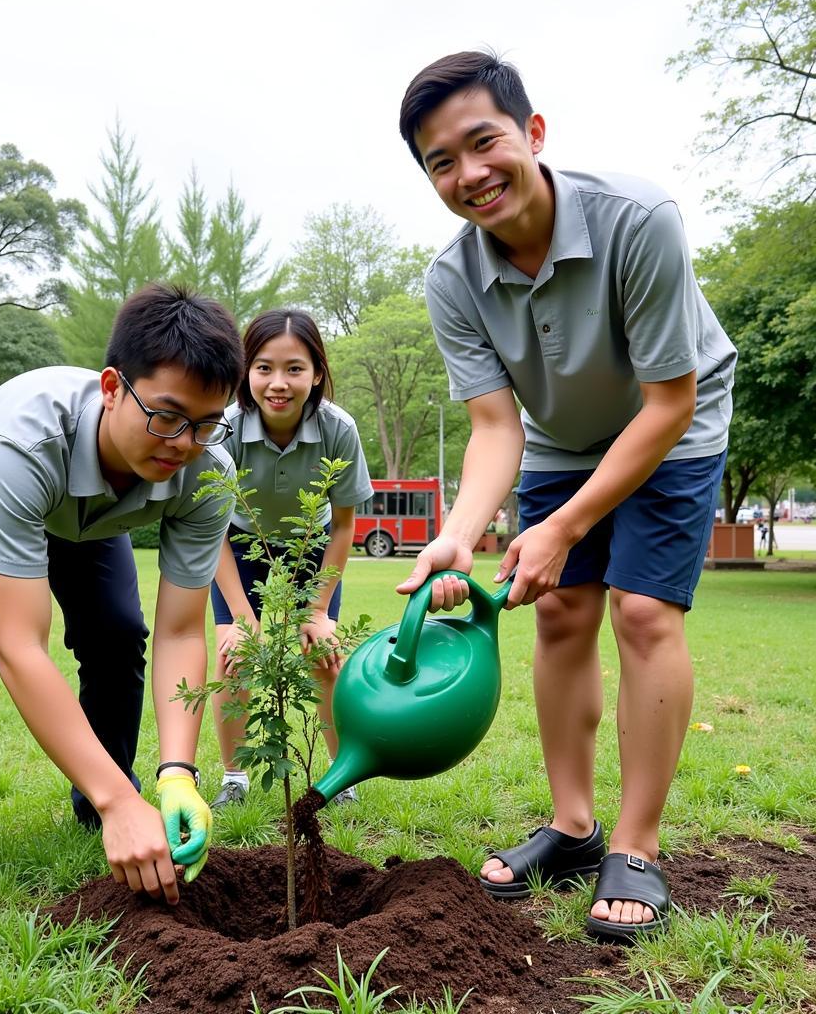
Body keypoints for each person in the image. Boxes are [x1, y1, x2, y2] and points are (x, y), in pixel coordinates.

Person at [396, 51, 737, 940]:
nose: (467, 175)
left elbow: (668, 402)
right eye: (440, 162)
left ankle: (636, 844)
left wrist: (568, 524)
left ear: (533, 134)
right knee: (559, 614)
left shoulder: (639, 220)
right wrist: (458, 535)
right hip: (557, 434)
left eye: (483, 143)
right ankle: (575, 826)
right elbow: (495, 428)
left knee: (644, 615)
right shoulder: (451, 280)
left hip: (675, 422)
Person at [0, 284, 245, 912]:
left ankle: (105, 800)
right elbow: (19, 648)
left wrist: (177, 774)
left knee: (117, 631)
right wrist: (124, 804)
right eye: (166, 416)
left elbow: (180, 632)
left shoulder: (207, 470)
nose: (182, 443)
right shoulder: (25, 437)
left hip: (89, 515)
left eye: (205, 423)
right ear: (113, 387)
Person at [208, 309, 373, 808]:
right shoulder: (224, 429)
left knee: (324, 655)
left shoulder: (338, 428)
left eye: (294, 368)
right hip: (238, 543)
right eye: (263, 367)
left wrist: (319, 611)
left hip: (312, 545)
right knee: (233, 659)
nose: (278, 383)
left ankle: (339, 779)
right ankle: (234, 781)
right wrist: (240, 618)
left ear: (317, 372)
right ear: (244, 371)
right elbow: (211, 527)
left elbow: (344, 524)